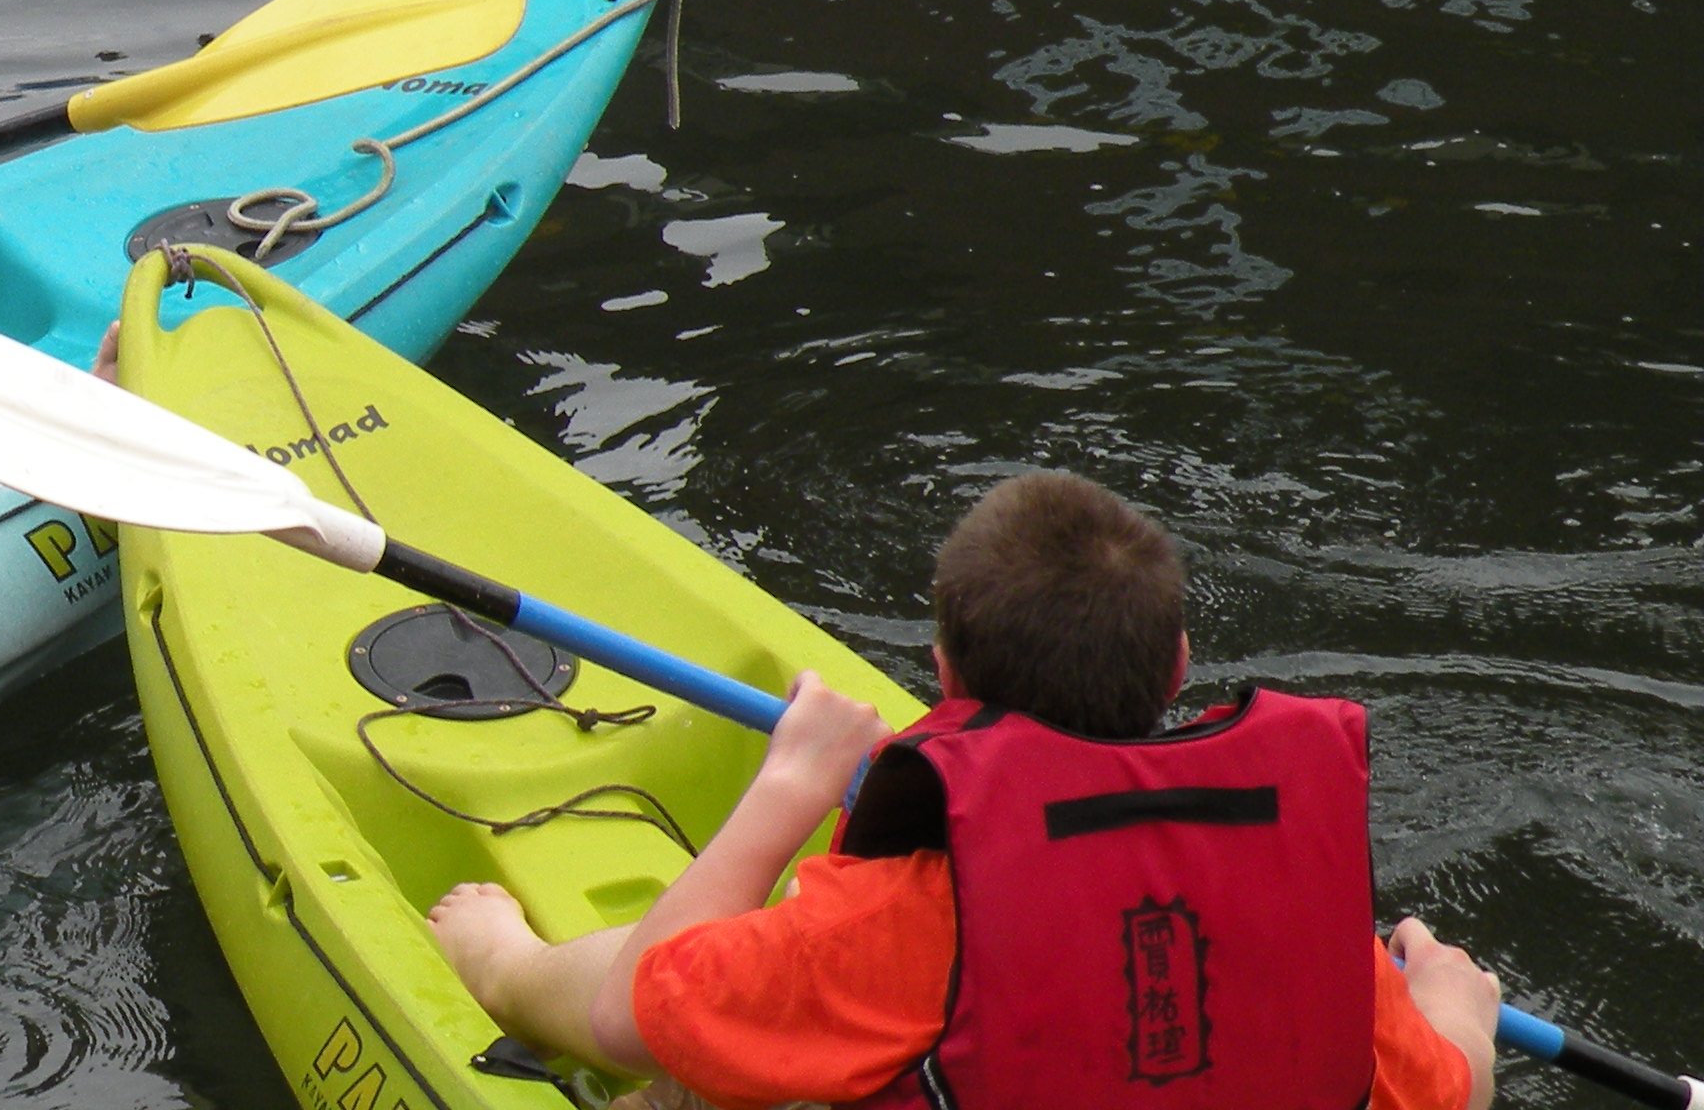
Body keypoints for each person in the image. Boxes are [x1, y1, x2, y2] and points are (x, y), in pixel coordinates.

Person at [426, 471, 1501, 1110]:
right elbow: (1449, 1094)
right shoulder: (1303, 927)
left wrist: (499, 957)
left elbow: (627, 1015)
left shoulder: (910, 921)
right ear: (1178, 667)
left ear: (943, 673)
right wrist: (1458, 1012)